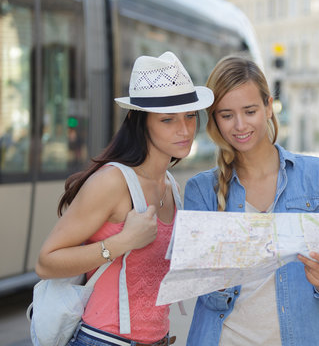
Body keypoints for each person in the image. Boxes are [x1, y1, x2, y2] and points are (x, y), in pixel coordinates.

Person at [35, 51, 213, 345]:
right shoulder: (112, 182)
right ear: (139, 120)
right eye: (168, 120)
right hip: (104, 339)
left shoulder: (171, 186)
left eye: (190, 116)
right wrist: (122, 243)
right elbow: (46, 262)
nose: (184, 130)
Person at [183, 56, 319, 345]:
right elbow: (205, 295)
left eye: (249, 111)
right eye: (226, 115)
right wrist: (219, 276)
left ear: (268, 106)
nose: (239, 125)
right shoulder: (201, 191)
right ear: (215, 120)